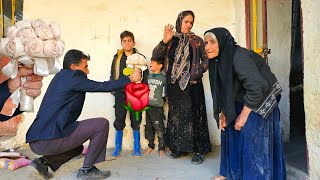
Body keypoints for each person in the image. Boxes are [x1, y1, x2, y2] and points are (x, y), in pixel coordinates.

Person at [26, 49, 141, 179]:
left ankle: (42, 163)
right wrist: (129, 79)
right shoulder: (73, 77)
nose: (88, 71)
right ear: (73, 67)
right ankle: (87, 170)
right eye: (85, 67)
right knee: (101, 124)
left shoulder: (61, 77)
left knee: (77, 148)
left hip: (37, 141)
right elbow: (102, 86)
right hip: (49, 139)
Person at [204, 27, 286, 179]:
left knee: (252, 137)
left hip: (262, 96)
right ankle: (229, 173)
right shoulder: (218, 60)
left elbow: (257, 88)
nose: (207, 47)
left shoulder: (238, 57)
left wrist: (243, 116)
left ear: (222, 42)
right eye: (206, 43)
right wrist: (223, 112)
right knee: (228, 127)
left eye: (212, 42)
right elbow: (222, 89)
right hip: (243, 96)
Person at [152, 10, 211, 164]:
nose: (189, 25)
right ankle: (179, 147)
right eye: (186, 21)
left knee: (195, 117)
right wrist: (164, 41)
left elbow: (206, 58)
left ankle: (198, 151)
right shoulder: (171, 40)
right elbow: (156, 56)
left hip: (192, 85)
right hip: (175, 86)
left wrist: (199, 70)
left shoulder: (197, 40)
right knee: (177, 117)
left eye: (191, 22)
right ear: (179, 22)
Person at [110, 30, 148, 157]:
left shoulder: (140, 58)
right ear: (121, 43)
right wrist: (113, 89)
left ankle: (137, 148)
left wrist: (143, 90)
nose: (127, 43)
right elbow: (113, 75)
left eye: (129, 41)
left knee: (135, 119)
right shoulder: (117, 58)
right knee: (119, 118)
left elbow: (145, 75)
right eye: (124, 41)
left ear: (133, 42)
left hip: (135, 93)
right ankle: (117, 148)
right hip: (120, 93)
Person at [144, 57, 166, 158]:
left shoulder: (163, 78)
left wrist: (162, 101)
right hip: (148, 107)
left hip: (157, 108)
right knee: (149, 128)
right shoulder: (149, 77)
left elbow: (166, 93)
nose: (150, 63)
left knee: (159, 128)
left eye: (153, 62)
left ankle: (162, 148)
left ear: (160, 65)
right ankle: (151, 146)